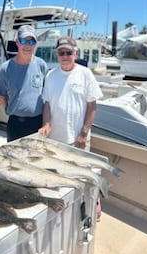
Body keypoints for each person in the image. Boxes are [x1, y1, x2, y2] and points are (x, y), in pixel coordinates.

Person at [38, 35, 103, 220]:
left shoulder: (85, 74)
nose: (65, 56)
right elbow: (48, 105)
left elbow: (92, 106)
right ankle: (67, 214)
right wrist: (46, 123)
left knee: (82, 176)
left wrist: (83, 133)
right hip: (56, 142)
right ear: (57, 54)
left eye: (68, 52)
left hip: (78, 141)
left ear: (75, 53)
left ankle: (93, 203)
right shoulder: (51, 75)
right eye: (61, 52)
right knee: (60, 179)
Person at [0, 25, 48, 142]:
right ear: (17, 42)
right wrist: (9, 109)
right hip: (15, 124)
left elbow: (46, 95)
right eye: (24, 41)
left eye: (31, 41)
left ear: (35, 43)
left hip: (38, 123)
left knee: (35, 157)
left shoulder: (42, 65)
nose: (28, 45)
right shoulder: (5, 68)